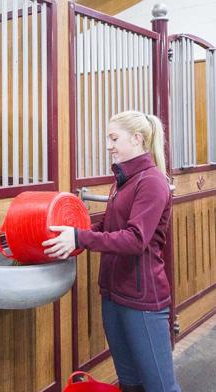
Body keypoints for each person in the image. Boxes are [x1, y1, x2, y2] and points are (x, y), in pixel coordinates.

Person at [42, 111, 181, 392]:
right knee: (130, 383)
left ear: (137, 139)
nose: (109, 145)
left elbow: (134, 239)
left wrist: (79, 237)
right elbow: (108, 225)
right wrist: (71, 228)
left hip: (143, 302)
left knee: (161, 387)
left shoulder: (151, 182)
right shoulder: (122, 181)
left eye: (114, 138)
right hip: (114, 295)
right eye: (109, 138)